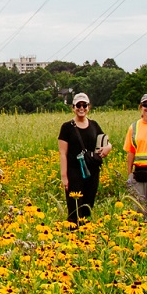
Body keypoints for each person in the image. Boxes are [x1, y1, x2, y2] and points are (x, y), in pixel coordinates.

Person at [58, 92, 112, 225]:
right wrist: (64, 177)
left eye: (84, 105)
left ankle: (86, 234)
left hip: (92, 171)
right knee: (74, 206)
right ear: (73, 107)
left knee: (88, 204)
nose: (81, 108)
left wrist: (108, 148)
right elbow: (63, 153)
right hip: (74, 172)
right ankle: (73, 234)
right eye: (78, 105)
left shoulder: (94, 125)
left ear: (89, 107)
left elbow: (105, 141)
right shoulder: (67, 127)